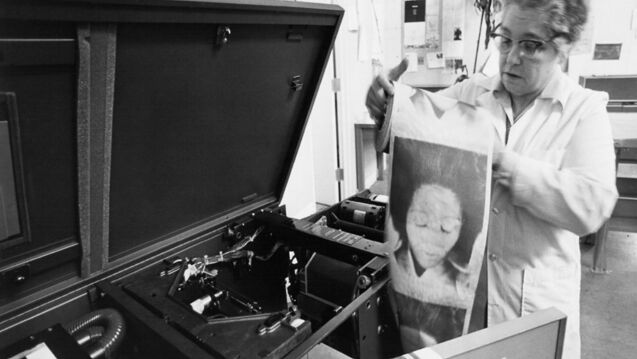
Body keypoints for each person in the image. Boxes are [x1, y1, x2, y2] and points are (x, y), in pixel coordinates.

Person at [366, 0, 618, 358]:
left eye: (530, 45)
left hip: (533, 311)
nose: (511, 57)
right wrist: (385, 105)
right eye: (505, 40)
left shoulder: (583, 109)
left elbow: (591, 206)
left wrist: (504, 164)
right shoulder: (470, 95)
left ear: (561, 48)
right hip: (467, 309)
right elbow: (416, 126)